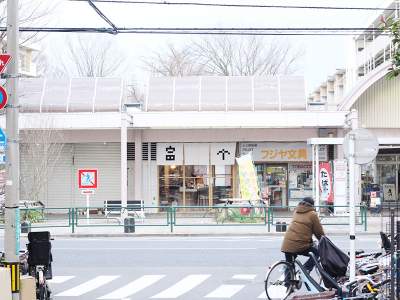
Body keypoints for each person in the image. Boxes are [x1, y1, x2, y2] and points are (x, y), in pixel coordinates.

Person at [281, 197, 325, 272]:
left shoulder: (296, 211)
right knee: (317, 253)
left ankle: (287, 282)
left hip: (287, 244)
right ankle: (305, 270)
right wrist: (324, 241)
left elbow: (301, 229)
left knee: (290, 264)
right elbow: (318, 232)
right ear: (312, 206)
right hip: (299, 244)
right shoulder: (312, 214)